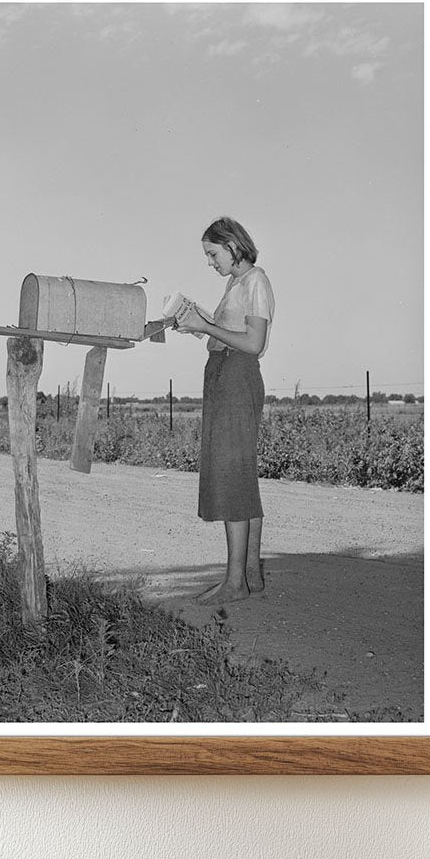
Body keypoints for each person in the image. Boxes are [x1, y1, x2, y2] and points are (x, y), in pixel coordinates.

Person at [176, 216, 275, 605]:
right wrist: (199, 326)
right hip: (222, 374)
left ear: (233, 246)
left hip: (237, 375)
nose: (210, 262)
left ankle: (234, 582)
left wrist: (208, 326)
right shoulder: (237, 284)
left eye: (213, 253)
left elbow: (253, 343)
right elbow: (230, 332)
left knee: (234, 476)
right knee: (238, 474)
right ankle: (249, 574)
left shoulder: (256, 281)